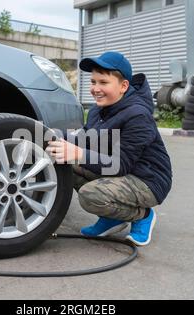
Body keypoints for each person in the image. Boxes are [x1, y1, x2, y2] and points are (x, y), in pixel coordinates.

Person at [46, 51, 172, 246]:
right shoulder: (98, 109)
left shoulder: (138, 115)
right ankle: (112, 216)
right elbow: (84, 139)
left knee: (91, 196)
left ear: (123, 86)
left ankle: (142, 215)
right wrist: (48, 134)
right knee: (63, 162)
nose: (96, 89)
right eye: (93, 82)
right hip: (120, 171)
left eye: (103, 83)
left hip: (147, 180)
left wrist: (78, 153)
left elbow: (120, 165)